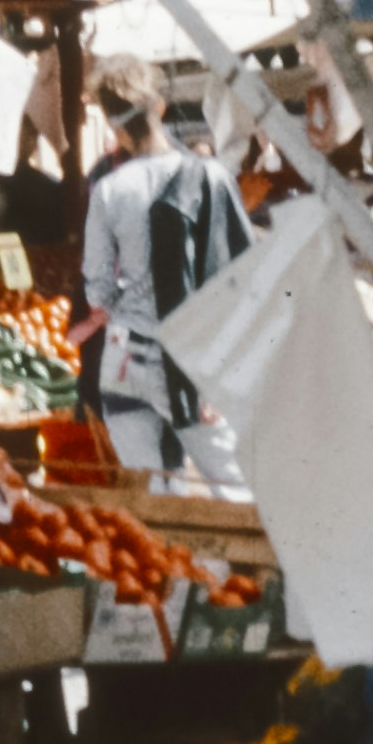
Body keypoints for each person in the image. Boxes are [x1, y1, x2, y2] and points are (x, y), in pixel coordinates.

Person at [76, 69, 253, 484]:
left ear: (114, 127)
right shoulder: (213, 176)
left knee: (153, 497)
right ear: (160, 108)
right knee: (232, 491)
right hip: (195, 361)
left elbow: (97, 293)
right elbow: (243, 273)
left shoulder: (110, 190)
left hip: (123, 363)